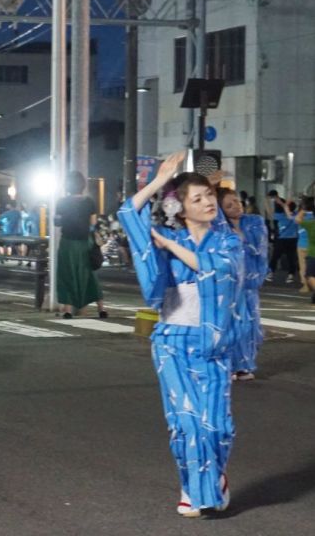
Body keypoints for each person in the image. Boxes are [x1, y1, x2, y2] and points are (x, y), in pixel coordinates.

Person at [118, 151, 240, 517]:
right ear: (180, 208)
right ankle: (191, 488)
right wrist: (159, 181)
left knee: (216, 425)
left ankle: (214, 478)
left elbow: (217, 270)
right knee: (186, 420)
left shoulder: (227, 241)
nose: (208, 203)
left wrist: (171, 247)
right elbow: (128, 214)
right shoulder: (166, 235)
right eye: (197, 199)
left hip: (213, 342)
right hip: (172, 340)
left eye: (209, 195)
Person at [217, 187, 268, 381]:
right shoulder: (219, 227)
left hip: (250, 282)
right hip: (228, 283)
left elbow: (260, 249)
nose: (236, 206)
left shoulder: (254, 221)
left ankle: (245, 365)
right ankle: (229, 365)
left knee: (251, 325)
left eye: (237, 201)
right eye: (229, 205)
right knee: (230, 324)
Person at [54, 171, 107, 319]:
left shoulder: (62, 202)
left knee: (67, 275)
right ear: (82, 185)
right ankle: (101, 308)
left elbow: (57, 222)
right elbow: (93, 224)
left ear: (67, 185)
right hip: (85, 242)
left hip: (68, 242)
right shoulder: (89, 202)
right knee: (89, 274)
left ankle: (68, 310)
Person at [267, 193, 299, 283]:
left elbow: (270, 212)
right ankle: (291, 275)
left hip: (281, 239)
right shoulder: (296, 215)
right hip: (293, 239)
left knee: (275, 257)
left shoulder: (279, 215)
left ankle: (270, 273)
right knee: (291, 258)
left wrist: (278, 202)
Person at [295, 197, 315, 304]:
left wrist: (303, 209)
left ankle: (306, 286)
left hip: (306, 248)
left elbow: (297, 219)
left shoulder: (310, 223)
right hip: (309, 248)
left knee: (306, 271)